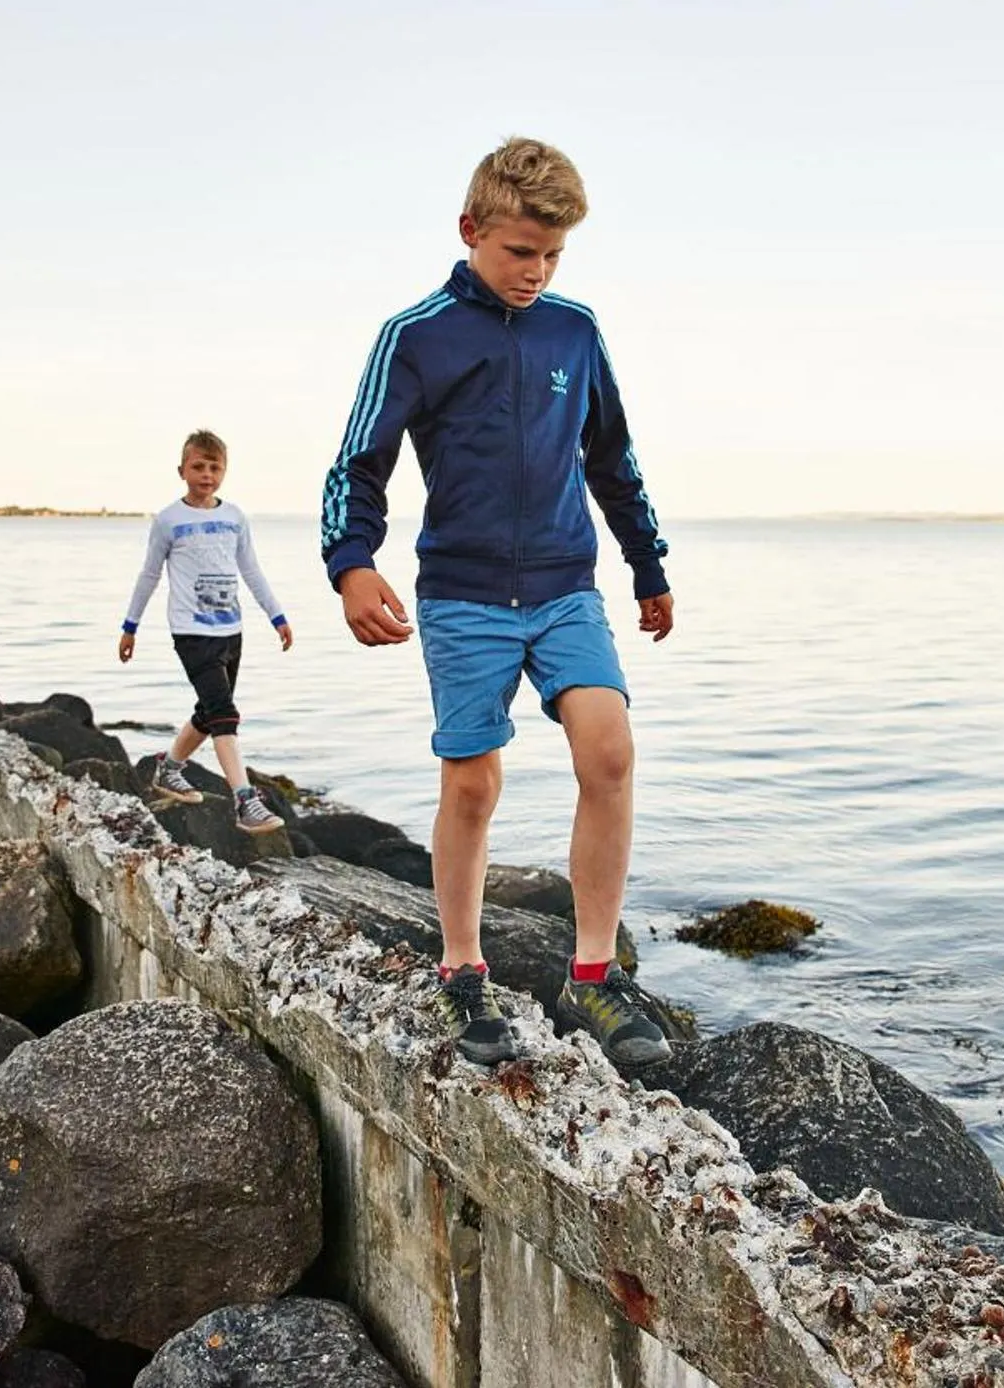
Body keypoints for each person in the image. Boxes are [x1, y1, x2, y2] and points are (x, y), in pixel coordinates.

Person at [321, 137, 674, 1067]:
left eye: (553, 256)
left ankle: (591, 977)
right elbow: (359, 463)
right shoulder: (418, 335)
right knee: (473, 784)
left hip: (565, 585)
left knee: (610, 751)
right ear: (471, 229)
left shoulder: (574, 331)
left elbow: (613, 459)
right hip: (466, 595)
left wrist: (649, 566)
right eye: (521, 252)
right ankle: (462, 972)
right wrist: (352, 564)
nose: (537, 272)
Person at [119, 429, 293, 834]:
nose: (207, 474)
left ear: (225, 472)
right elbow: (149, 574)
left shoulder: (233, 518)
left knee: (209, 711)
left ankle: (169, 769)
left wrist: (277, 615)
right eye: (199, 466)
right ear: (182, 470)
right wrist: (131, 626)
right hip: (190, 632)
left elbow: (251, 569)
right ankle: (245, 801)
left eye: (215, 467)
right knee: (225, 714)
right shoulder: (169, 521)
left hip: (231, 630)